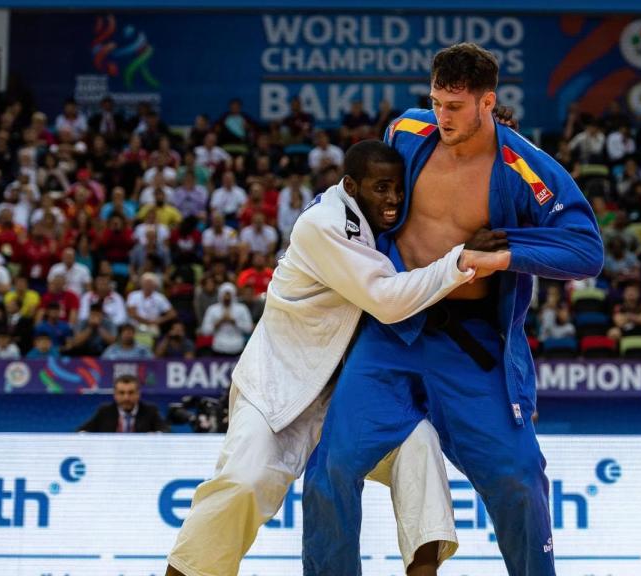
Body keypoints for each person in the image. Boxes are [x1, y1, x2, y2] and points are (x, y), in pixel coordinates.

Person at [302, 43, 604, 576]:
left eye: (456, 106)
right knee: (331, 465)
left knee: (518, 475)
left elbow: (585, 249)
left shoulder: (524, 167)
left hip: (469, 345)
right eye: (437, 101)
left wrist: (504, 253)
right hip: (392, 330)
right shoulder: (407, 132)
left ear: (488, 103)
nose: (442, 115)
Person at [166, 140, 511, 576]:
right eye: (380, 188)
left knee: (417, 445)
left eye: (397, 189)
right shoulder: (324, 224)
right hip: (279, 388)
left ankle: (424, 571)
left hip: (346, 395)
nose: (393, 199)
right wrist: (461, 259)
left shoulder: (381, 223)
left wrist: (489, 138)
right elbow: (386, 299)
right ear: (351, 186)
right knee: (241, 485)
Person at [77, 374, 169, 433]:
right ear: (115, 395)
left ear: (138, 394)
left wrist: (155, 435)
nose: (126, 398)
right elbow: (81, 431)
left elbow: (165, 431)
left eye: (131, 392)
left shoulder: (150, 411)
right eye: (122, 393)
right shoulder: (105, 411)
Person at [199, 282, 254, 356]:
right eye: (225, 294)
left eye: (229, 294)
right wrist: (219, 322)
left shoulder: (242, 308)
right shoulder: (212, 309)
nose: (227, 297)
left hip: (238, 347)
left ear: (233, 294)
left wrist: (234, 322)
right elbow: (205, 330)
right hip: (218, 347)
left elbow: (249, 329)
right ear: (220, 294)